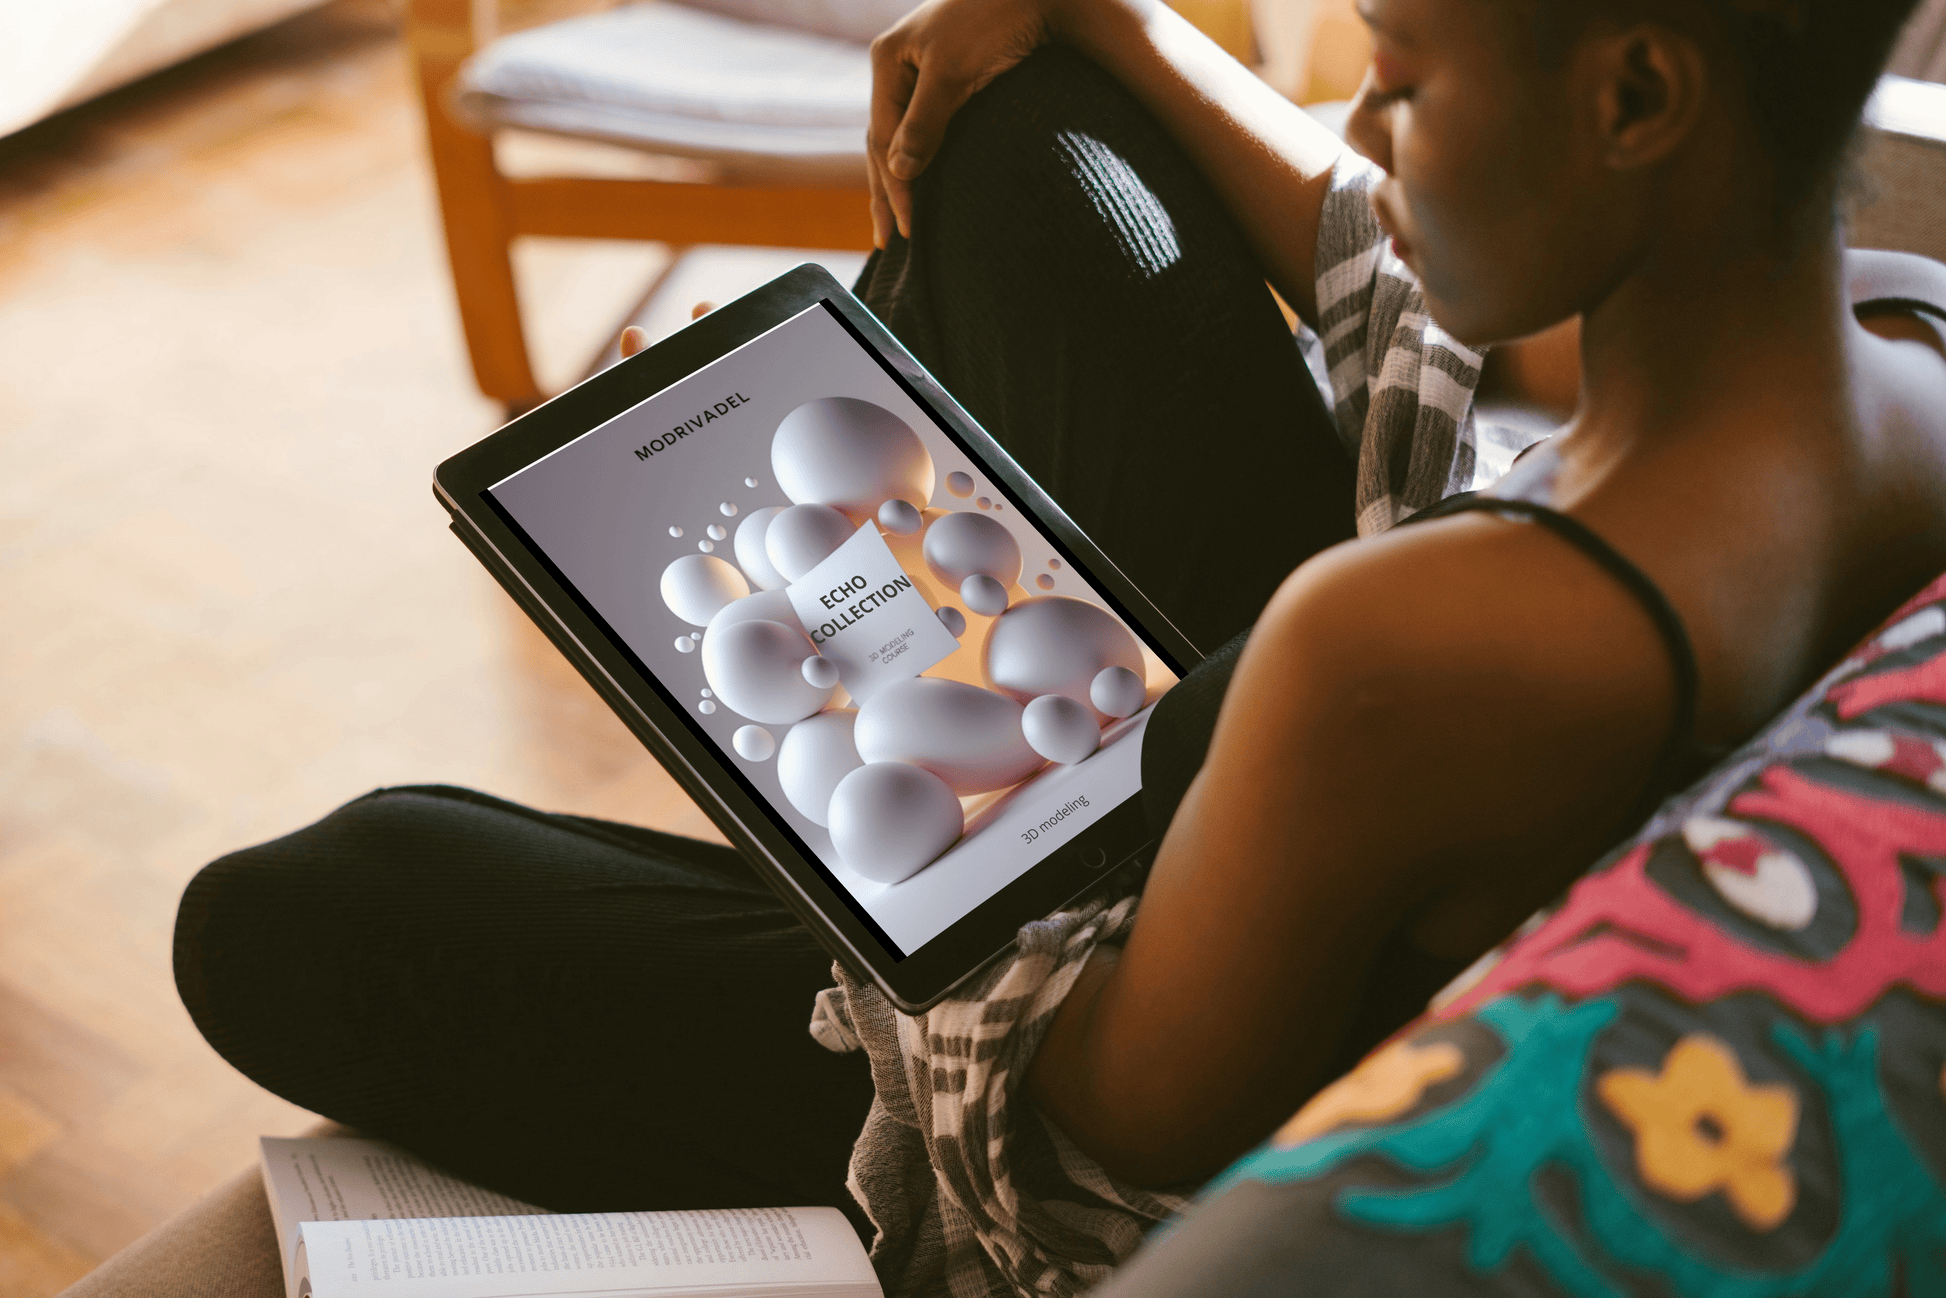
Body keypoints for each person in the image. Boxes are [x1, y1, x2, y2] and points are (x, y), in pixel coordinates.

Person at [173, 0, 1946, 1293]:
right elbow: (1433, 315)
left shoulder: (1410, 642)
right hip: (1328, 817)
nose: (1373, 120)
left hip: (1164, 980)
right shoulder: (1896, 339)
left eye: (1398, 72)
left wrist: (855, 696)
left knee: (309, 901)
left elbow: (1086, 1154)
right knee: (1027, 129)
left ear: (1638, 92)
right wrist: (1106, 11)